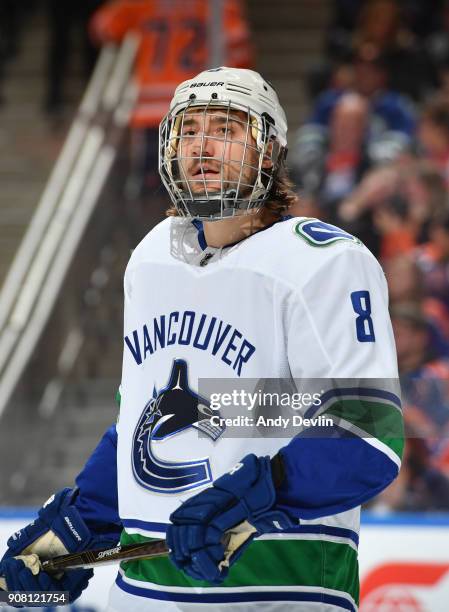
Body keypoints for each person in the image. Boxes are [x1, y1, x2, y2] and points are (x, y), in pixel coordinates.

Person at [0, 67, 403, 611]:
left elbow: (368, 441)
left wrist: (254, 496)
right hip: (141, 595)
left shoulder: (325, 260)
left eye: (226, 129)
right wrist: (76, 523)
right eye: (189, 131)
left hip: (278, 590)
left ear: (269, 152)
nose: (203, 146)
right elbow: (138, 427)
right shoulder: (151, 258)